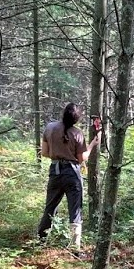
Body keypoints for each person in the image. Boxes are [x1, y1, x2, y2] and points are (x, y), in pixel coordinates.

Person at [36, 103, 101, 254]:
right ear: (76, 119)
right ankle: (75, 248)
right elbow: (81, 158)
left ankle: (40, 242)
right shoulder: (77, 133)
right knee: (75, 209)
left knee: (50, 208)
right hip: (72, 173)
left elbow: (45, 153)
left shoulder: (50, 128)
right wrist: (93, 144)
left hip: (55, 171)